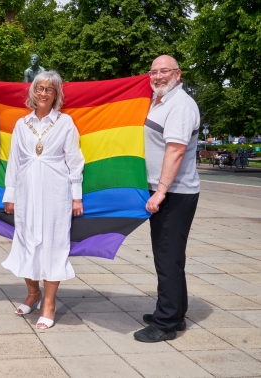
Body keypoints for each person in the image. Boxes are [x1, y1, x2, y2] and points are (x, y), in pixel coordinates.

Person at [2, 70, 84, 329]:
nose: (43, 93)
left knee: (52, 245)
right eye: (40, 88)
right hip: (26, 193)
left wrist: (76, 196)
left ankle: (49, 303)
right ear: (32, 91)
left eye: (49, 89)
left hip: (56, 193)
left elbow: (74, 160)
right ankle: (32, 293)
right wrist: (10, 194)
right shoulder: (21, 124)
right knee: (26, 242)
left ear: (56, 94)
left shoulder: (65, 123)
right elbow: (13, 162)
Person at [134, 55, 200, 343]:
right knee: (170, 256)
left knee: (167, 257)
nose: (158, 76)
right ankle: (175, 311)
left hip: (174, 193)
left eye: (165, 71)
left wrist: (160, 191)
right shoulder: (158, 101)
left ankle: (166, 322)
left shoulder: (181, 105)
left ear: (178, 74)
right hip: (164, 190)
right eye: (154, 72)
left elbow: (175, 150)